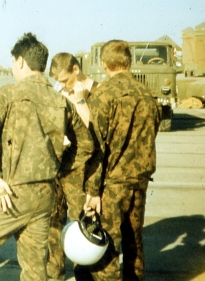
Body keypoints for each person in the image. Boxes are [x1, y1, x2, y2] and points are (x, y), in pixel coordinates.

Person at [0, 33, 99, 280]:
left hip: (11, 194)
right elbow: (86, 144)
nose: (13, 68)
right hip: (44, 196)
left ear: (20, 61)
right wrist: (57, 166)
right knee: (34, 267)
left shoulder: (8, 94)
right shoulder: (60, 101)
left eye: (13, 63)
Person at [83, 40, 161, 280]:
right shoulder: (149, 95)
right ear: (130, 62)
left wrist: (93, 191)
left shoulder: (103, 95)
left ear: (104, 64)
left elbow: (96, 147)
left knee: (107, 245)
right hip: (140, 181)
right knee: (134, 243)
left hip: (113, 185)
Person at [46, 53, 101, 281]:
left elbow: (97, 135)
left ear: (76, 70)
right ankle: (55, 273)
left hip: (85, 171)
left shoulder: (98, 93)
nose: (62, 85)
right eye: (57, 82)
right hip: (61, 167)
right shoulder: (61, 94)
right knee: (54, 222)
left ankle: (83, 274)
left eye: (65, 80)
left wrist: (80, 101)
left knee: (82, 225)